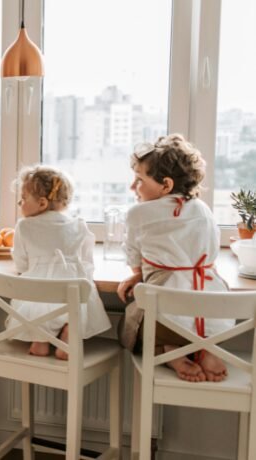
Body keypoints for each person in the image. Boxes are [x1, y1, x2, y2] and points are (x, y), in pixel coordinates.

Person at [117, 134, 232, 382]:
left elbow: (133, 256)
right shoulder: (203, 209)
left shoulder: (138, 213)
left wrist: (138, 273)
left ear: (166, 185)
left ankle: (170, 352)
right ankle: (206, 350)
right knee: (191, 316)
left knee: (129, 327)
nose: (132, 187)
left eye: (139, 180)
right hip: (213, 317)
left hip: (165, 318)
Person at [7, 166, 111, 359]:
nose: (19, 203)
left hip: (39, 299)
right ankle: (68, 335)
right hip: (72, 296)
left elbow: (22, 265)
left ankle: (41, 341)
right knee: (77, 300)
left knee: (37, 299)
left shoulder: (25, 226)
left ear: (42, 203)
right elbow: (88, 263)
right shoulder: (79, 225)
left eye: (23, 198)